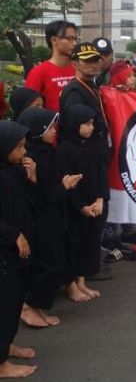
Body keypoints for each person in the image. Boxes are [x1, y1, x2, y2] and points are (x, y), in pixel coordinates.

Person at [17, 107, 81, 328]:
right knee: (50, 264)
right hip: (41, 221)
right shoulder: (28, 158)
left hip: (55, 217)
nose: (54, 131)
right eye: (49, 127)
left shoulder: (46, 152)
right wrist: (62, 186)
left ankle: (38, 306)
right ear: (37, 130)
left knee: (56, 261)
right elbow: (39, 196)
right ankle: (29, 306)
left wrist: (63, 184)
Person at [57, 104, 109, 302]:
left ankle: (81, 280)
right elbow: (67, 181)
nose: (91, 128)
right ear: (73, 124)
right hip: (74, 207)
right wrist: (81, 206)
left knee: (89, 243)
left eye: (92, 123)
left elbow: (101, 175)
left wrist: (100, 198)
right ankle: (71, 285)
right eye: (86, 124)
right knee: (72, 244)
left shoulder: (93, 146)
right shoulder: (64, 150)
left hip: (93, 203)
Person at [0, 121, 38, 379]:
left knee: (14, 301)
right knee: (5, 303)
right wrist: (14, 235)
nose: (23, 152)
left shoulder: (11, 170)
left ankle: (6, 345)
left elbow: (25, 202)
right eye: (18, 147)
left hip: (17, 249)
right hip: (5, 249)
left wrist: (32, 177)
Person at [59, 42, 111, 153]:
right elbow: (76, 133)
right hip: (83, 155)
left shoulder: (91, 85)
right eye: (88, 60)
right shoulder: (74, 92)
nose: (93, 64)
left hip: (97, 150)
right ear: (74, 64)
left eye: (96, 60)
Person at [25, 20, 77, 112]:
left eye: (75, 39)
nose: (74, 43)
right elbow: (29, 108)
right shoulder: (39, 72)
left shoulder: (78, 69)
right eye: (69, 38)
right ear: (54, 40)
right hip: (51, 125)